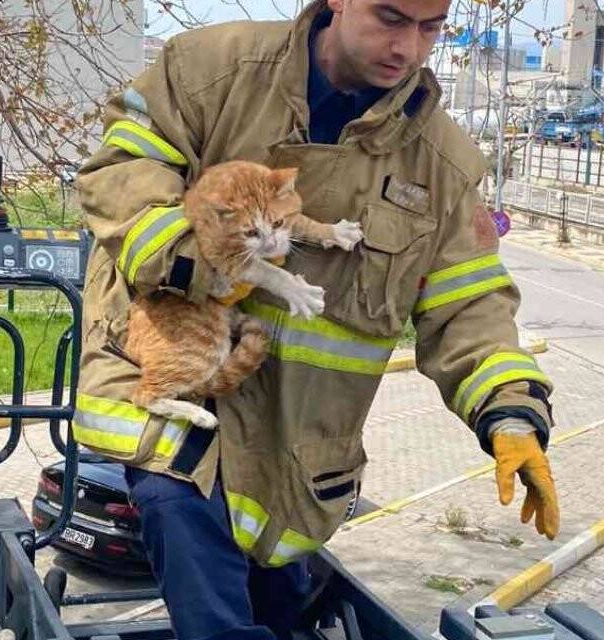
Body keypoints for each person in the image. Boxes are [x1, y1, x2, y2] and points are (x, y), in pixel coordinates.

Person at [74, 2, 559, 638]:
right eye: (390, 17)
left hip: (297, 447)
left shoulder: (442, 166)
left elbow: (469, 303)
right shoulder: (211, 70)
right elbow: (121, 173)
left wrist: (511, 412)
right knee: (182, 524)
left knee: (278, 602)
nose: (408, 48)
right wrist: (192, 262)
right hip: (171, 393)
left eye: (431, 27)